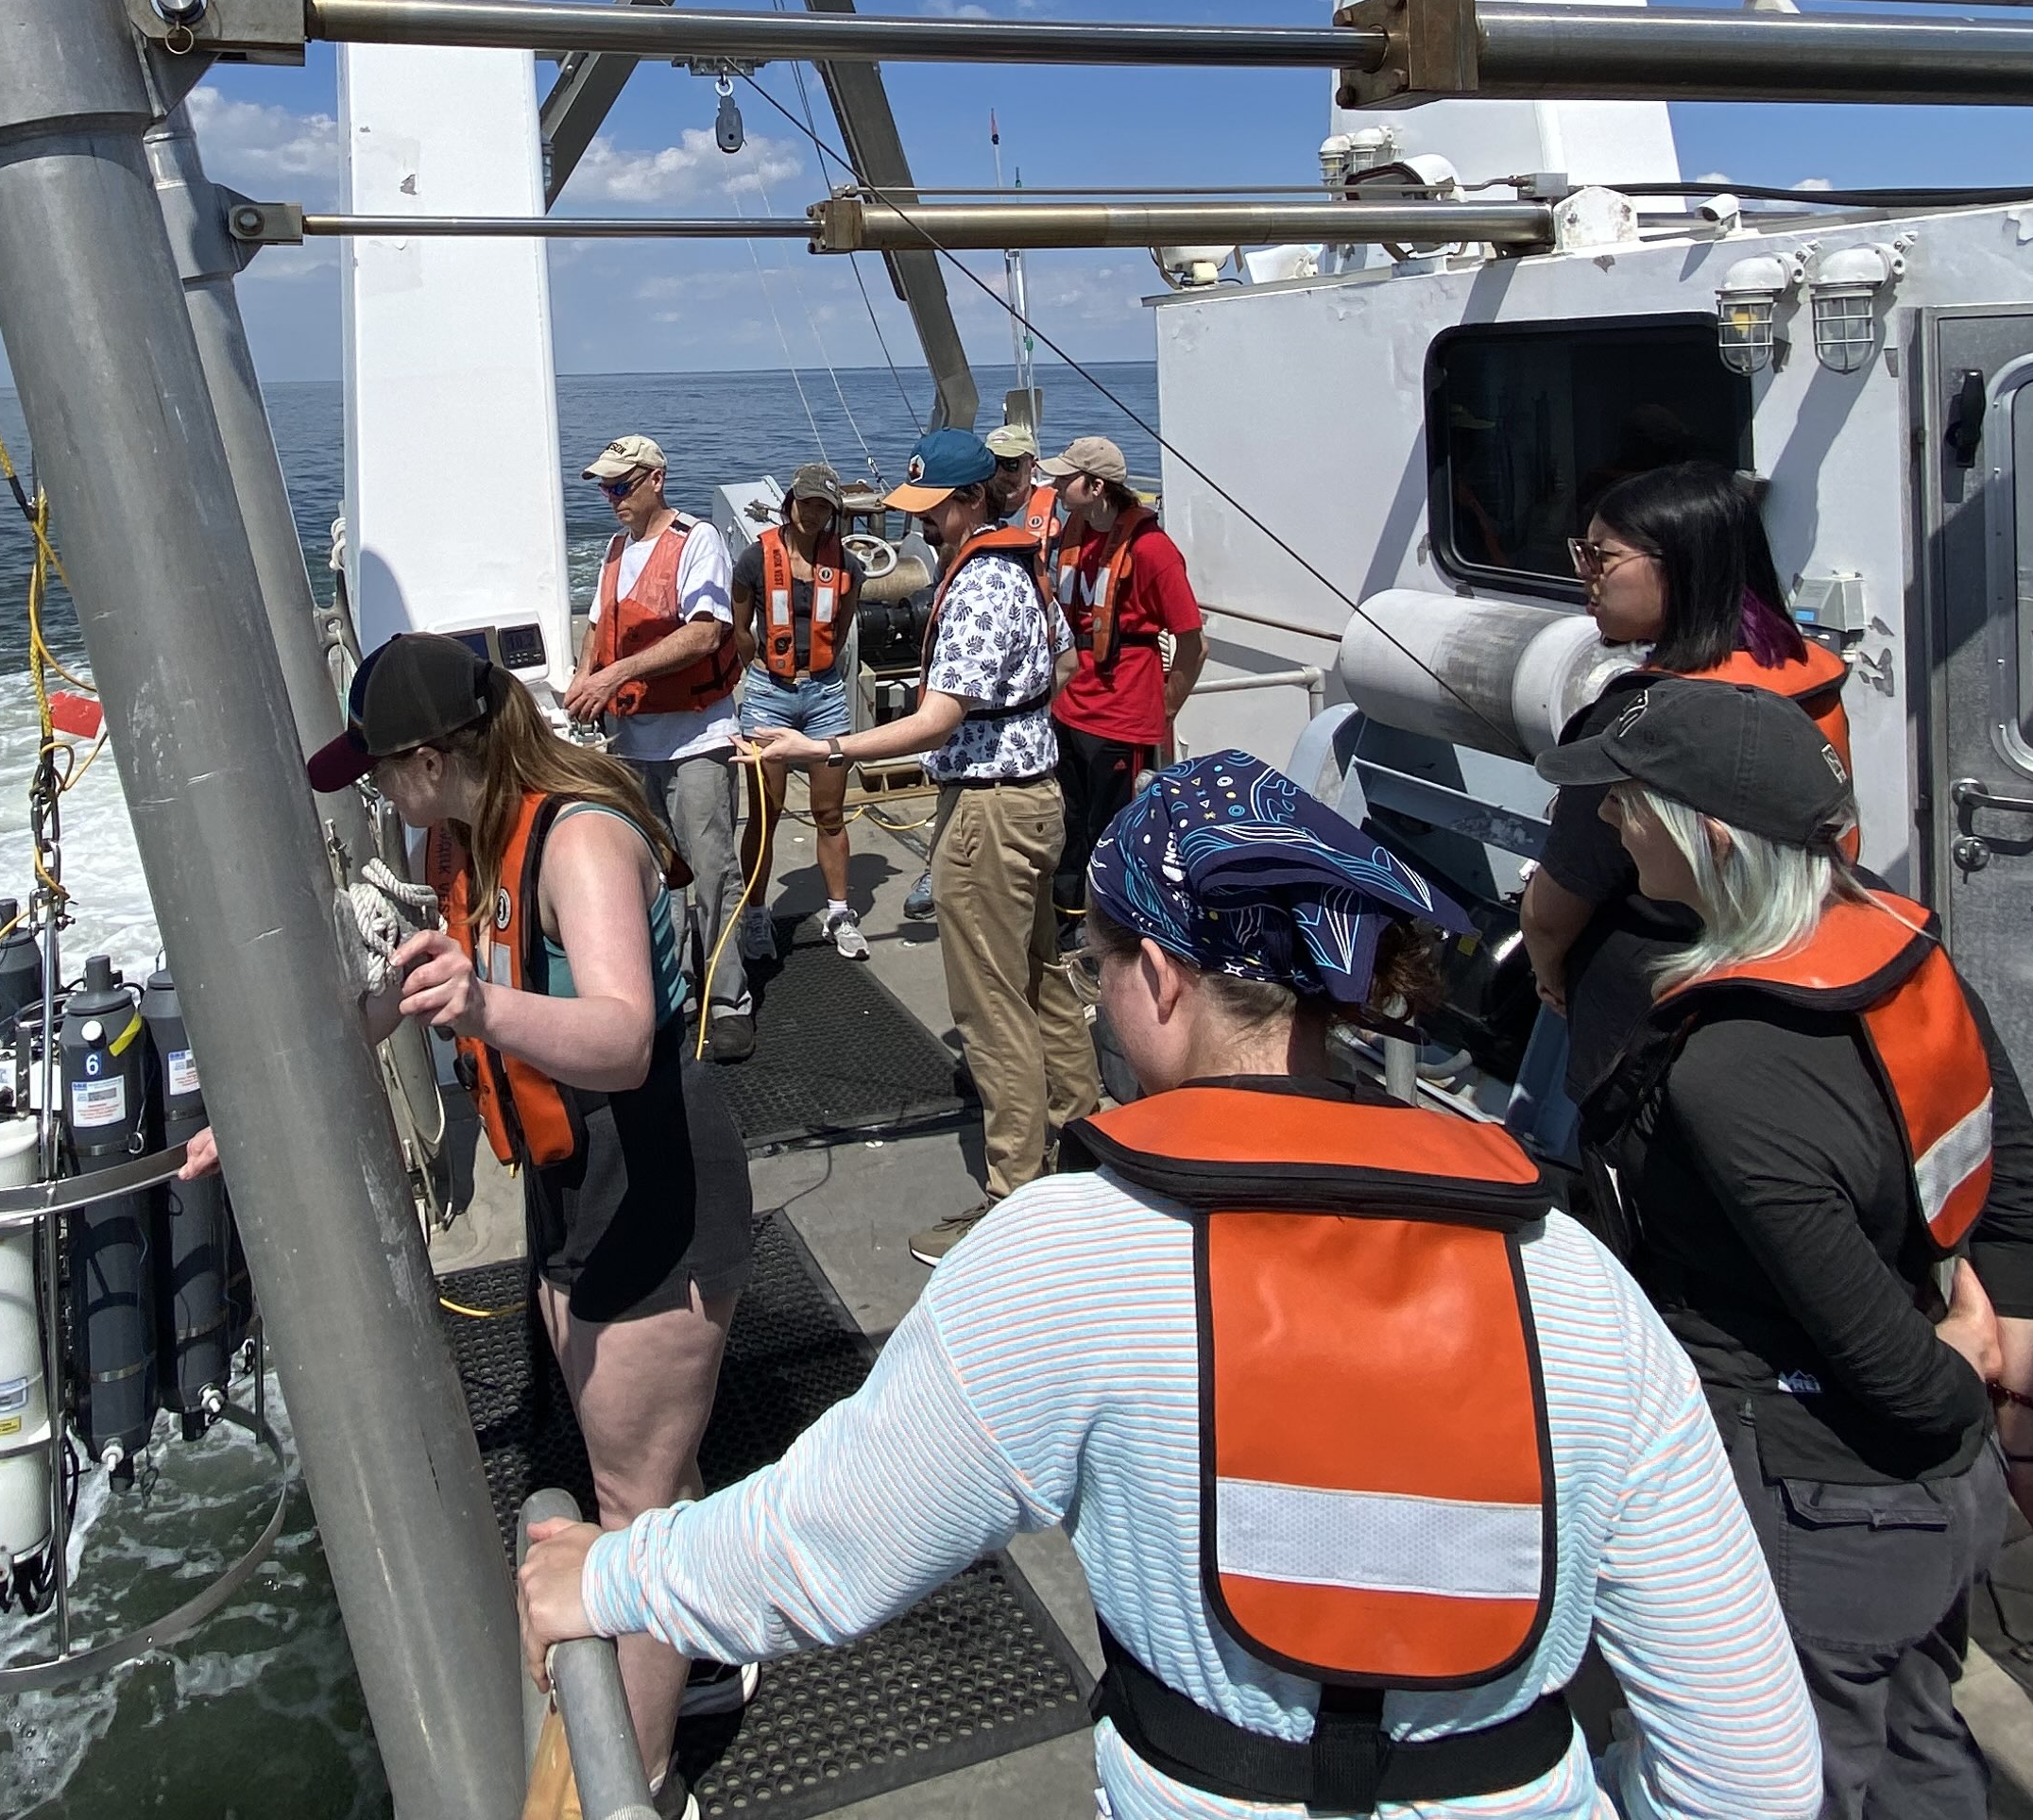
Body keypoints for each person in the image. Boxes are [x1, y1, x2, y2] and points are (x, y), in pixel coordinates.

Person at [517, 750, 1823, 1819]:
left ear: (1157, 974)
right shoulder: (1577, 1284)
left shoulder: (1070, 1259)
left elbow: (828, 1543)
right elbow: (1754, 1773)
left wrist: (613, 1578)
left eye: (1093, 966)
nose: (1092, 1001)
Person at [1541, 678, 2033, 1816]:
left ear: (1705, 834)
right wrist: (2025, 1452)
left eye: (1628, 803)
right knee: (1922, 1755)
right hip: (1937, 1520)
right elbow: (2025, 1208)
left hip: (1810, 1516)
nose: (1608, 823)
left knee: (1783, 1781)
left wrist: (1956, 1357)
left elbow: (1912, 1386)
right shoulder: (1907, 957)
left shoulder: (1730, 1074)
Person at [309, 631, 749, 1789]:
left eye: (379, 770)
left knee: (632, 1503)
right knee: (646, 1467)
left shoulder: (577, 835)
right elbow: (421, 990)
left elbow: (621, 1029)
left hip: (652, 1183)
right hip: (572, 1184)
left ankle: (640, 1782)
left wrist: (486, 1006)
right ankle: (691, 1653)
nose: (377, 795)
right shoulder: (469, 839)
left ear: (434, 757)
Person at [748, 427, 1090, 1262]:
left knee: (990, 1004)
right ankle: (1085, 1144)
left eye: (930, 512)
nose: (921, 529)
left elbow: (936, 720)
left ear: (970, 501)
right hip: (1038, 799)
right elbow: (1070, 665)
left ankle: (1015, 1196)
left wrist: (820, 750)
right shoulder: (1025, 571)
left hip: (991, 816)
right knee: (1042, 977)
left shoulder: (977, 585)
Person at [1517, 463, 1854, 1144]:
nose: (1585, 573)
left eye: (1601, 555)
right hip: (1802, 982)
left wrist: (1551, 976)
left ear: (1680, 564)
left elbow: (1554, 908)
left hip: (1663, 1024)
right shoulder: (1804, 680)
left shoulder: (1640, 724)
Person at [565, 432, 767, 1063]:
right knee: (653, 876)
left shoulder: (696, 541)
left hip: (695, 740)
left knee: (710, 871)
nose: (612, 498)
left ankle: (730, 1001)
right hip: (632, 744)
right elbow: (601, 625)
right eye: (605, 487)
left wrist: (615, 675)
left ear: (656, 478)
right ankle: (671, 990)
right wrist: (581, 676)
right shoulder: (616, 548)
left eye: (621, 486)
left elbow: (706, 634)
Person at [1043, 434, 1204, 930]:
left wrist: (1165, 707)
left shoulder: (1153, 551)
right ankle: (1068, 917)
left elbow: (1192, 643)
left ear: (1094, 487)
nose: (1055, 484)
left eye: (1066, 478)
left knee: (1110, 828)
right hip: (1070, 704)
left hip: (1120, 715)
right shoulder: (1076, 530)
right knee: (1068, 822)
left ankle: (1115, 930)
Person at [732, 462, 869, 961]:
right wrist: (761, 674)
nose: (814, 513)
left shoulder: (848, 568)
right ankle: (754, 915)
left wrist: (820, 670)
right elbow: (741, 627)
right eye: (807, 502)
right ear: (791, 502)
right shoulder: (753, 560)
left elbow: (844, 624)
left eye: (824, 506)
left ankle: (839, 911)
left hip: (826, 694)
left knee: (830, 812)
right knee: (764, 815)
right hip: (770, 692)